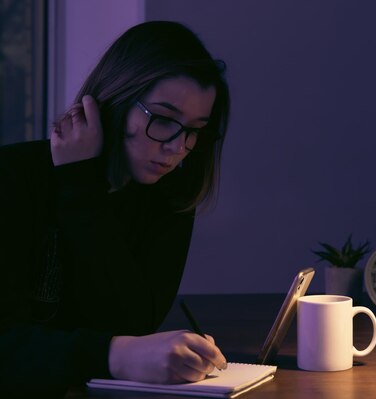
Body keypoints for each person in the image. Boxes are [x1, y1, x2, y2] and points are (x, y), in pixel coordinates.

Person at [0, 20, 230, 396]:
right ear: (116, 100)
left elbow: (131, 322)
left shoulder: (170, 198)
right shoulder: (12, 178)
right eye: (163, 119)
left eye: (194, 129)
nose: (177, 147)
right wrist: (78, 182)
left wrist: (81, 192)